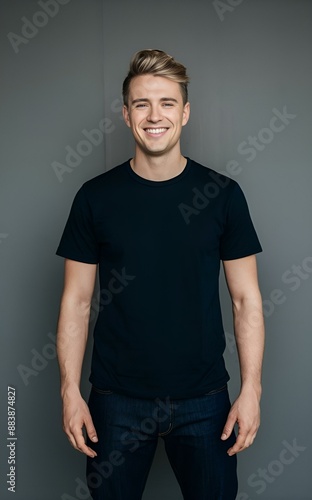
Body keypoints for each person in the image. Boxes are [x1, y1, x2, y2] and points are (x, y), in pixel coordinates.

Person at [56, 49, 265, 500]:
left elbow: (246, 300)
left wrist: (252, 391)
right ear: (126, 113)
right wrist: (70, 392)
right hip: (114, 401)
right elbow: (75, 300)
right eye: (142, 103)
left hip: (206, 401)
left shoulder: (223, 196)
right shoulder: (94, 198)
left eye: (167, 103)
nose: (155, 116)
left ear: (185, 112)